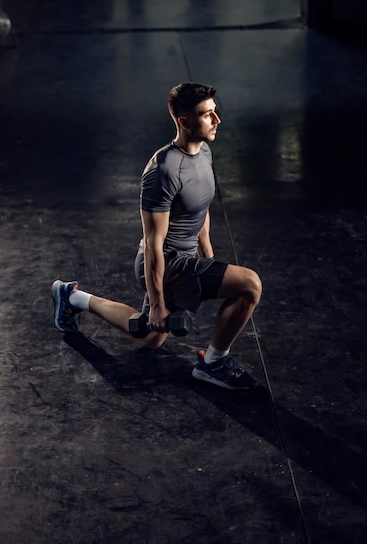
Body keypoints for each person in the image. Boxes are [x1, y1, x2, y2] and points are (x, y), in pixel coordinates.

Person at [52, 82, 262, 390]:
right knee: (249, 284)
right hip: (167, 265)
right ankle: (212, 363)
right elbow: (153, 244)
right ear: (184, 121)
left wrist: (207, 253)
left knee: (150, 337)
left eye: (215, 112)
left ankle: (71, 297)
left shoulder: (204, 152)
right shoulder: (162, 170)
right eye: (207, 115)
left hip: (187, 260)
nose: (217, 120)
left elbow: (200, 207)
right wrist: (159, 301)